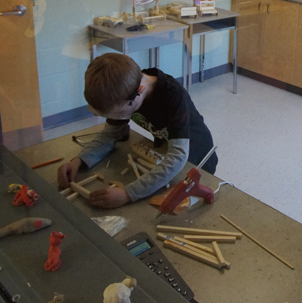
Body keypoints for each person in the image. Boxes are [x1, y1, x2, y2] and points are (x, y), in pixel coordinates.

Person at [57, 53, 217, 209]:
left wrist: (128, 193)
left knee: (187, 207)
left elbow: (177, 157)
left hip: (196, 156)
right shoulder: (124, 88)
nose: (117, 118)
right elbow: (110, 134)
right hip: (168, 151)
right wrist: (79, 161)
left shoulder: (173, 95)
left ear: (139, 91)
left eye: (119, 114)